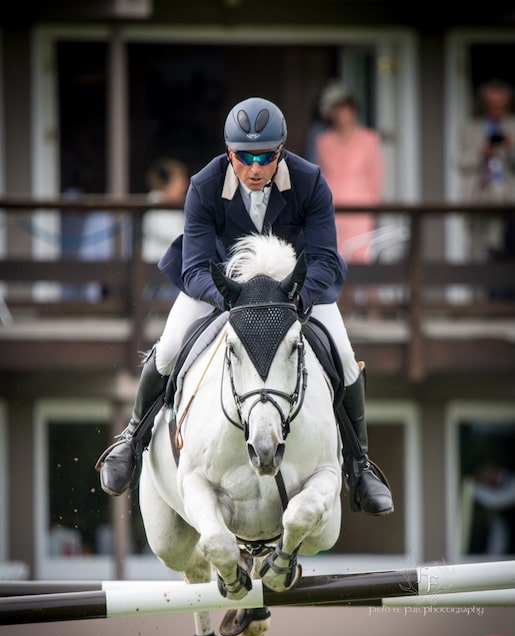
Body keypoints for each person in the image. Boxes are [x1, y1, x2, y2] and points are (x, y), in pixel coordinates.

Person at [95, 97, 393, 516]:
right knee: (169, 347)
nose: (255, 168)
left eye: (265, 157)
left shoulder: (310, 182)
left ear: (281, 152)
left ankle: (360, 467)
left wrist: (297, 299)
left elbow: (326, 259)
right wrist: (233, 300)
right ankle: (131, 440)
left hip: (295, 289)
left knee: (343, 358)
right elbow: (196, 265)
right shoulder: (204, 184)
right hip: (222, 287)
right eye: (244, 157)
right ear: (229, 152)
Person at [314, 81, 384, 263]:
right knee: (335, 260)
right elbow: (321, 175)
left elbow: (375, 176)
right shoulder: (323, 141)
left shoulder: (369, 139)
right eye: (338, 111)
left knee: (362, 259)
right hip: (333, 207)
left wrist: (372, 204)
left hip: (360, 208)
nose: (342, 116)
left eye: (345, 110)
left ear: (353, 112)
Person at [458, 79, 515, 262]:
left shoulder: (513, 127)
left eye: (500, 107)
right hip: (478, 197)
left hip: (509, 200)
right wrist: (480, 153)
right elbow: (460, 163)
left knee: (504, 252)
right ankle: (477, 291)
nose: (496, 111)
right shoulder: (470, 128)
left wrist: (510, 147)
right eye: (492, 106)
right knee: (477, 254)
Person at [141, 157, 189, 299]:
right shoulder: (153, 207)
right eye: (180, 182)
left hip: (171, 270)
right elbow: (178, 237)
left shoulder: (174, 207)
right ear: (166, 183)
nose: (184, 187)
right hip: (157, 272)